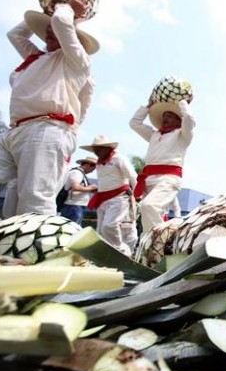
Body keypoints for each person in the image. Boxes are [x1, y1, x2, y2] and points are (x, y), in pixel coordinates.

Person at [0, 0, 99, 231]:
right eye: (45, 28)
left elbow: (61, 23)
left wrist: (67, 8)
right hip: (14, 131)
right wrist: (46, 10)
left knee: (34, 200)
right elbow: (15, 34)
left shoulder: (77, 62)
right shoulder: (36, 58)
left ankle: (35, 257)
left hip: (48, 129)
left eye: (53, 28)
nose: (48, 30)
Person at [130, 96, 195, 234]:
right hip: (148, 180)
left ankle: (156, 244)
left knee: (149, 206)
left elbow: (189, 119)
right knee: (148, 213)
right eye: (164, 116)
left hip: (168, 179)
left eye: (170, 116)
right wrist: (148, 106)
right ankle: (152, 247)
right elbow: (134, 123)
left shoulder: (183, 135)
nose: (165, 118)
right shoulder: (154, 135)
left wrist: (183, 103)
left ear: (179, 120)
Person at [81, 135, 138, 255]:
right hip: (102, 199)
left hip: (119, 197)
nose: (97, 152)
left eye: (99, 149)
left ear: (107, 148)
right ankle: (104, 254)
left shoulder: (119, 158)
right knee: (100, 231)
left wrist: (138, 194)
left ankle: (121, 251)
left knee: (110, 225)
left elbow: (132, 175)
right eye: (95, 150)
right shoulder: (99, 163)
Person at [60, 156, 98, 225]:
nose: (92, 171)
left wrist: (89, 189)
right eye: (93, 168)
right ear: (88, 165)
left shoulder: (80, 173)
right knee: (72, 230)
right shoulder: (77, 173)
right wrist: (91, 188)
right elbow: (75, 187)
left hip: (76, 206)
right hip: (73, 206)